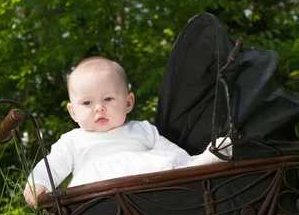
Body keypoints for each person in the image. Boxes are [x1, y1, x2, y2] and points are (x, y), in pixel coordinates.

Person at [24, 56, 230, 207]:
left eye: (108, 99)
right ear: (73, 112)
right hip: (100, 200)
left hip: (152, 195)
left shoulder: (141, 129)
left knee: (172, 163)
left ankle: (207, 162)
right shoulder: (73, 140)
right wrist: (38, 183)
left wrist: (190, 166)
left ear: (128, 102)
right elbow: (53, 164)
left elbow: (174, 154)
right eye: (87, 102)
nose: (99, 108)